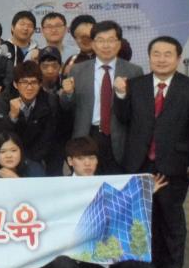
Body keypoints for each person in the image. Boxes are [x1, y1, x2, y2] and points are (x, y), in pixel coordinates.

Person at [114, 36, 189, 268]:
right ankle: (151, 262)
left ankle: (173, 265)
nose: (161, 59)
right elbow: (124, 118)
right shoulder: (136, 85)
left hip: (174, 164)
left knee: (171, 215)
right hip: (139, 162)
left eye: (168, 54)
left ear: (178, 58)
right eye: (156, 54)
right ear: (149, 57)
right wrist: (121, 94)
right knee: (144, 215)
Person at [51, 136, 164, 268]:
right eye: (81, 158)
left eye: (92, 158)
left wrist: (145, 194)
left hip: (109, 256)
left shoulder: (109, 184)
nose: (87, 163)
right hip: (79, 259)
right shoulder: (58, 187)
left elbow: (124, 208)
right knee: (61, 264)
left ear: (97, 160)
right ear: (70, 161)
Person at [60, 20, 142, 175]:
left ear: (119, 43)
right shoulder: (77, 70)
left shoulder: (133, 71)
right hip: (87, 135)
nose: (106, 45)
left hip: (118, 138)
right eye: (100, 40)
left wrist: (122, 94)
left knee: (115, 184)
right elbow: (66, 107)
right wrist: (68, 94)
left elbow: (136, 112)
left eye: (111, 40)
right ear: (93, 44)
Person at [0, 61, 60, 174]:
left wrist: (27, 163)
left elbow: (48, 138)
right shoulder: (4, 99)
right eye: (24, 82)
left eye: (34, 82)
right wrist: (12, 117)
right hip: (8, 155)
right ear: (15, 84)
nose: (29, 87)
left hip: (35, 157)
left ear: (40, 84)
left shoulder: (50, 101)